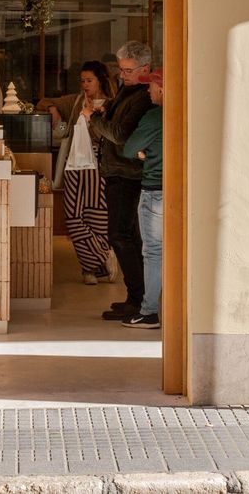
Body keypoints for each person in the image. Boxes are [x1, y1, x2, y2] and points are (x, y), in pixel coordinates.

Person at [86, 41, 155, 320]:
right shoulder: (130, 90)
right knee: (126, 236)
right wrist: (106, 113)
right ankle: (135, 297)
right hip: (118, 171)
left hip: (127, 174)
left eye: (128, 71)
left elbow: (121, 135)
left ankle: (139, 300)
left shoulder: (144, 97)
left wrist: (93, 119)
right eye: (121, 70)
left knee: (121, 236)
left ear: (145, 69)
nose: (122, 76)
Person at [47, 61, 115, 285]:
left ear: (100, 80)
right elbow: (44, 102)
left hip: (100, 165)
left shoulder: (112, 104)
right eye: (82, 80)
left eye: (89, 80)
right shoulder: (75, 101)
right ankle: (104, 255)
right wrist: (54, 111)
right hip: (74, 164)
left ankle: (90, 269)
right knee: (73, 217)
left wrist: (93, 117)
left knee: (97, 217)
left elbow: (111, 137)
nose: (85, 84)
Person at [120, 70, 164, 329]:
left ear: (162, 88)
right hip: (177, 189)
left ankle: (148, 311)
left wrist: (141, 153)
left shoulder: (154, 116)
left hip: (153, 191)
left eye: (152, 87)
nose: (148, 91)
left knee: (153, 252)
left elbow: (128, 148)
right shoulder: (185, 112)